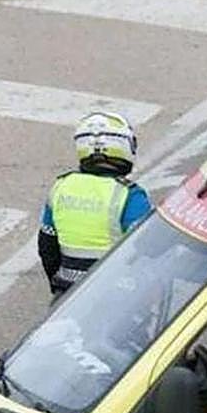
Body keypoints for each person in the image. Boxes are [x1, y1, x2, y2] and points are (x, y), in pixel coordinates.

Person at [38, 111, 152, 297]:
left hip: (68, 293)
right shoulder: (130, 196)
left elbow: (47, 246)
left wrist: (58, 286)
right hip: (117, 293)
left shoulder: (61, 187)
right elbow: (148, 249)